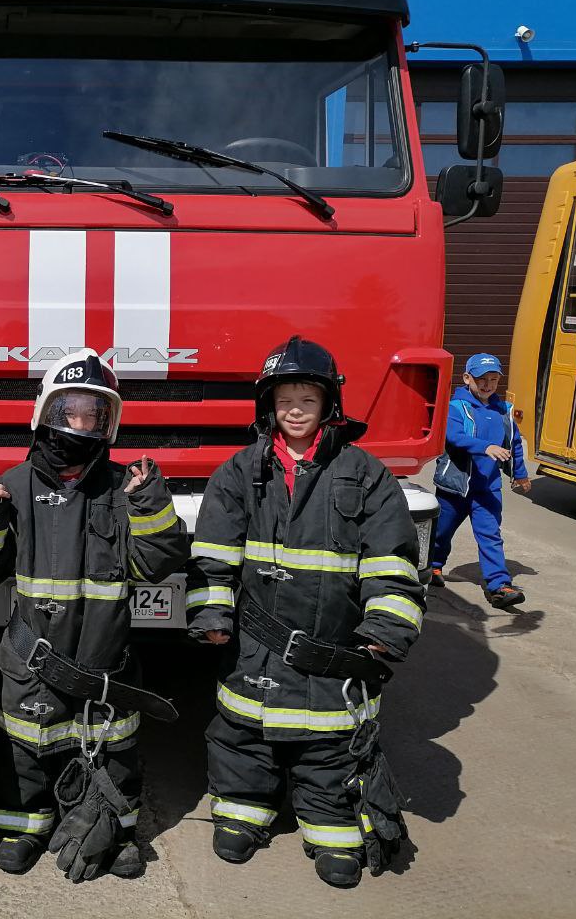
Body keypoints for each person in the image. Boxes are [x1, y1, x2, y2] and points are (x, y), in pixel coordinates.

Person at [187, 336, 424, 889]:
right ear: (268, 405)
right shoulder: (240, 471)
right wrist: (212, 617)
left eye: (307, 398)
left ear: (328, 406)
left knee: (329, 741)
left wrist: (385, 630)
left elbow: (391, 559)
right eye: (284, 398)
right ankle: (242, 810)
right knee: (243, 732)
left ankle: (332, 827)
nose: (294, 409)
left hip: (331, 647)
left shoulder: (365, 474)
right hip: (254, 644)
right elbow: (214, 555)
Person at [0, 349, 188, 882]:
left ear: (109, 424)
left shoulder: (122, 488)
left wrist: (152, 505)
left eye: (94, 415)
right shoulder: (11, 486)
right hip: (33, 658)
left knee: (111, 745)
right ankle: (20, 826)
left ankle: (114, 822)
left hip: (104, 659)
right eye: (71, 411)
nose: (81, 425)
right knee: (25, 745)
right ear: (46, 414)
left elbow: (155, 565)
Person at [431, 353, 531, 608]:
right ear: (467, 378)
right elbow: (453, 437)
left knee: (490, 535)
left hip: (487, 488)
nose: (487, 385)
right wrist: (485, 447)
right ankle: (433, 566)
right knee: (441, 532)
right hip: (455, 486)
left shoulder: (503, 411)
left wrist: (520, 474)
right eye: (481, 380)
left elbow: (514, 444)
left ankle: (499, 586)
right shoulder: (456, 407)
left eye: (493, 380)